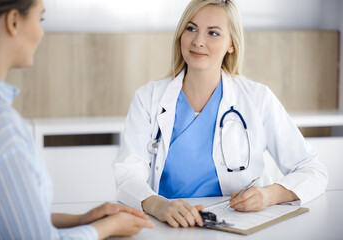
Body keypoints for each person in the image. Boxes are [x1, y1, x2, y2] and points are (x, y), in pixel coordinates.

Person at [114, 0, 328, 228]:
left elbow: (313, 170)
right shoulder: (148, 98)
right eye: (191, 28)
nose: (198, 41)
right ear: (180, 35)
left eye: (213, 33)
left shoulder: (257, 98)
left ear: (232, 44)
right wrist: (157, 205)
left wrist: (270, 195)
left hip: (236, 227)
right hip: (167, 227)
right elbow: (128, 173)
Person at [0, 0, 154, 239]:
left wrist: (80, 220)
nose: (41, 32)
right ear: (13, 22)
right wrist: (108, 228)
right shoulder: (0, 125)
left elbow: (0, 217)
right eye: (40, 19)